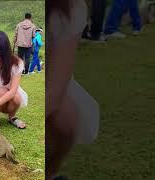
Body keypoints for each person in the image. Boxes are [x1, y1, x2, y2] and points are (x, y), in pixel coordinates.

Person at [48, 0, 99, 179]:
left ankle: (49, 174)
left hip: (48, 91)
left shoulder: (69, 9)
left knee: (64, 116)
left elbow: (54, 91)